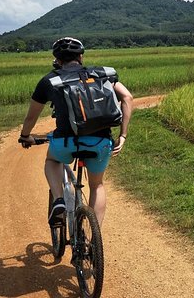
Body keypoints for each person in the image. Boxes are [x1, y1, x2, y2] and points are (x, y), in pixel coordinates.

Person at [18, 37, 133, 227]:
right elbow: (127, 98)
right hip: (101, 142)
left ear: (57, 59)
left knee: (52, 160)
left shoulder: (49, 81)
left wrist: (25, 136)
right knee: (97, 185)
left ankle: (59, 200)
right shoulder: (103, 74)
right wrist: (123, 134)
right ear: (80, 56)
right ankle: (91, 237)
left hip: (65, 142)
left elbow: (31, 118)